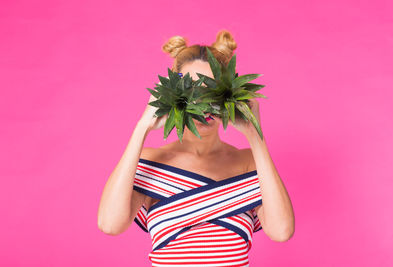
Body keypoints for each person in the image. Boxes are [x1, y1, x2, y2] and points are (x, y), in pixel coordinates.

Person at [97, 29, 295, 266]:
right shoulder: (150, 162)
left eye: (212, 91)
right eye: (192, 91)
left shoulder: (249, 163)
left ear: (229, 94)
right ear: (173, 95)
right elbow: (110, 224)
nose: (204, 105)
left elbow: (281, 231)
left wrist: (255, 134)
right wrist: (142, 127)